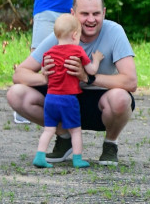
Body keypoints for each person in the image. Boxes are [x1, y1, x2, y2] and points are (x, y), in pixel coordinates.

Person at [7, 0, 137, 166]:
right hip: (62, 98)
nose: (91, 19)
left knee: (120, 98)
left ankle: (110, 144)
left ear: (104, 13)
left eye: (96, 13)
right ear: (73, 13)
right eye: (84, 14)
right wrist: (45, 78)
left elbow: (130, 81)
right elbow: (19, 73)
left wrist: (87, 77)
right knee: (16, 93)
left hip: (99, 103)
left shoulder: (114, 31)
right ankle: (64, 137)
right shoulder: (62, 35)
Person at [32, 14, 103, 169]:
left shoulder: (48, 53)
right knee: (76, 131)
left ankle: (40, 156)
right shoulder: (77, 51)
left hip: (50, 98)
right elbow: (91, 70)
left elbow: (45, 72)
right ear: (75, 35)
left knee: (49, 129)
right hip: (68, 99)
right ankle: (77, 159)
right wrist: (96, 59)